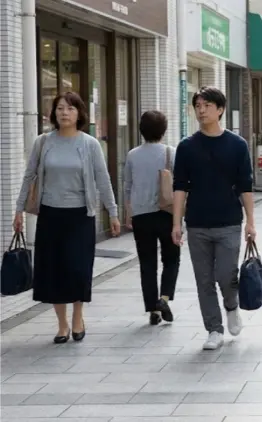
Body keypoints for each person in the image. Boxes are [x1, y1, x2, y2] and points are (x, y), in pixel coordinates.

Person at [13, 91, 120, 344]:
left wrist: (113, 212)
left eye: (70, 109)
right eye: (60, 108)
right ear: (54, 113)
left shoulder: (89, 144)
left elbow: (103, 180)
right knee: (53, 269)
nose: (64, 113)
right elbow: (29, 177)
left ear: (80, 113)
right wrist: (18, 210)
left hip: (80, 216)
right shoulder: (43, 142)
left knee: (78, 268)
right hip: (50, 215)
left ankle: (77, 317)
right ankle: (61, 324)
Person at [172, 86, 256, 350]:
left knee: (225, 275)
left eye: (207, 105)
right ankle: (214, 329)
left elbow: (245, 186)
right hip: (197, 223)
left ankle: (231, 306)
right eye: (198, 105)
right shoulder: (186, 147)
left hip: (229, 221)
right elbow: (179, 187)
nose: (201, 109)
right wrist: (176, 223)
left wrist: (251, 222)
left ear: (220, 110)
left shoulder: (237, 145)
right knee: (203, 279)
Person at [124, 110, 181, 326]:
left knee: (147, 264)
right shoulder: (171, 153)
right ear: (164, 130)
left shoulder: (132, 155)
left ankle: (153, 310)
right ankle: (164, 299)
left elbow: (127, 186)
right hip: (167, 214)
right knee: (172, 258)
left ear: (141, 130)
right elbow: (181, 186)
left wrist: (129, 213)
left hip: (141, 216)